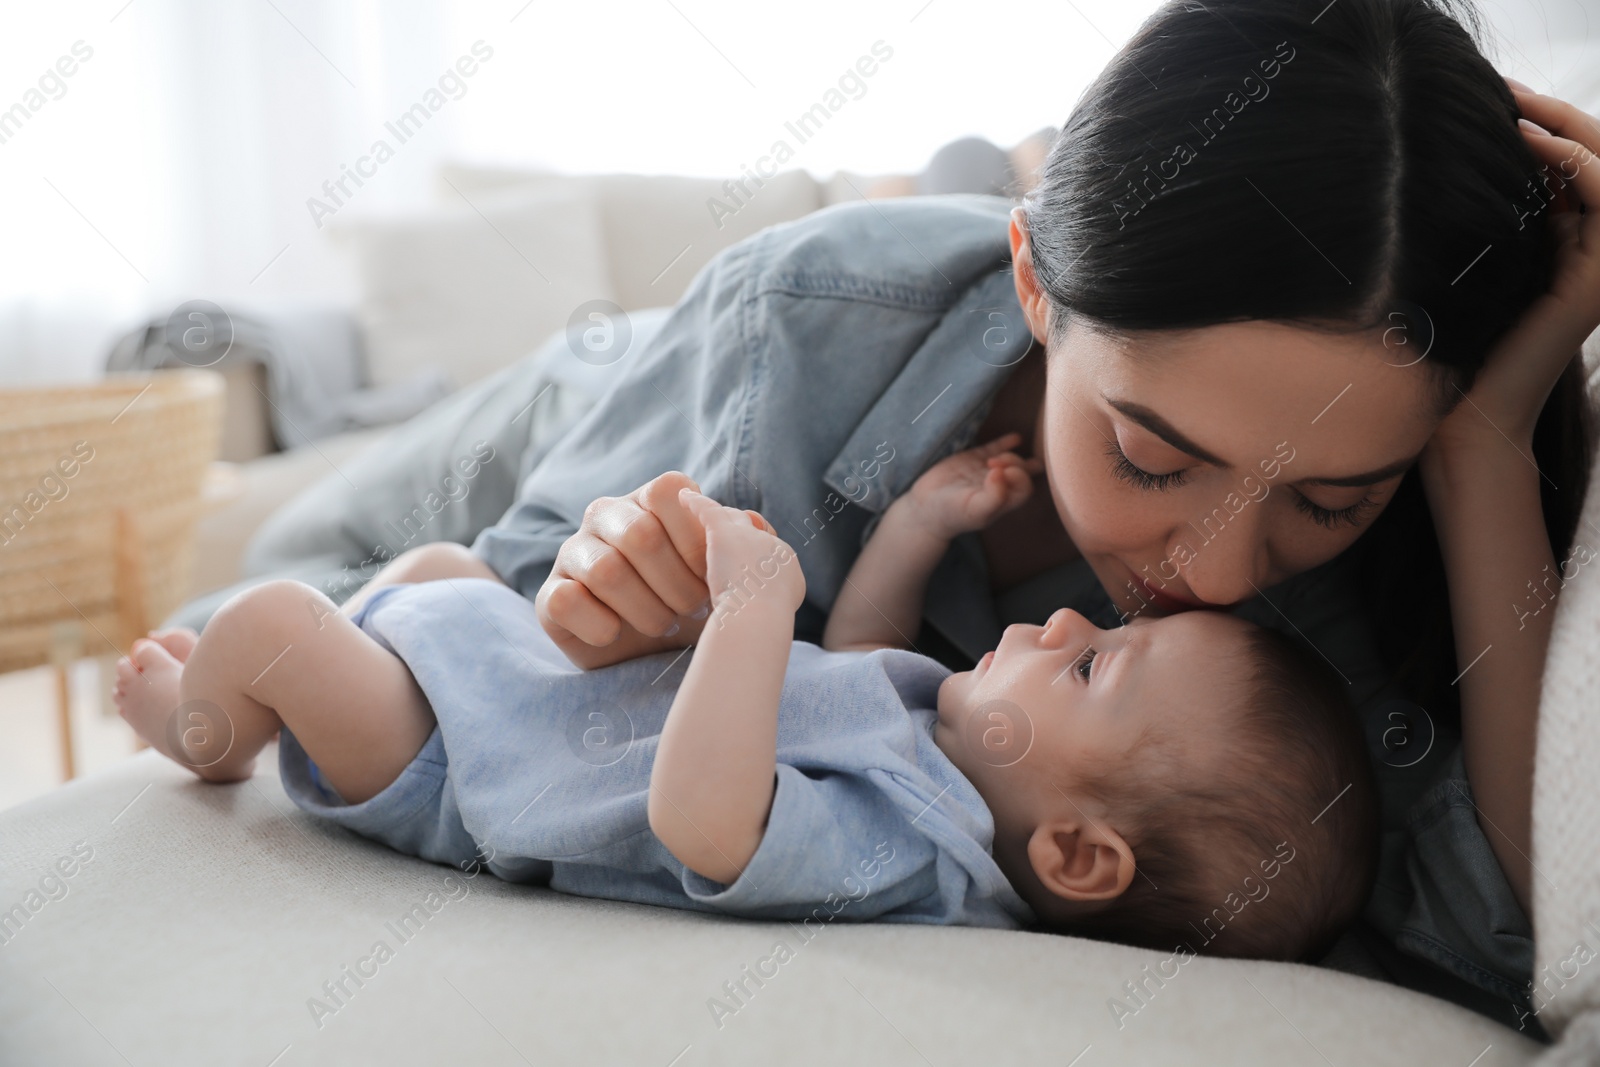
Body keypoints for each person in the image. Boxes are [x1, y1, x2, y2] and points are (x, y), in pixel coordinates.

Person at [163, 0, 1597, 1031]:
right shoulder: (816, 317)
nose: (1212, 569)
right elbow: (493, 638)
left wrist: (1485, 449)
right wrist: (606, 591)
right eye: (1153, 457)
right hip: (565, 412)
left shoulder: (1387, 546)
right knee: (293, 568)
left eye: (1328, 497)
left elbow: (1509, 936)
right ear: (1039, 288)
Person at [115, 436, 1377, 962]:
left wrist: (754, 607)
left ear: (1078, 853)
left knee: (273, 619)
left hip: (466, 775)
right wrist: (915, 524)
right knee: (446, 570)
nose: (1057, 619)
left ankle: (203, 732)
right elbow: (858, 656)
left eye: (1094, 664)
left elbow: (705, 819)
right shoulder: (950, 744)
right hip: (530, 700)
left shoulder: (914, 855)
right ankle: (289, 671)